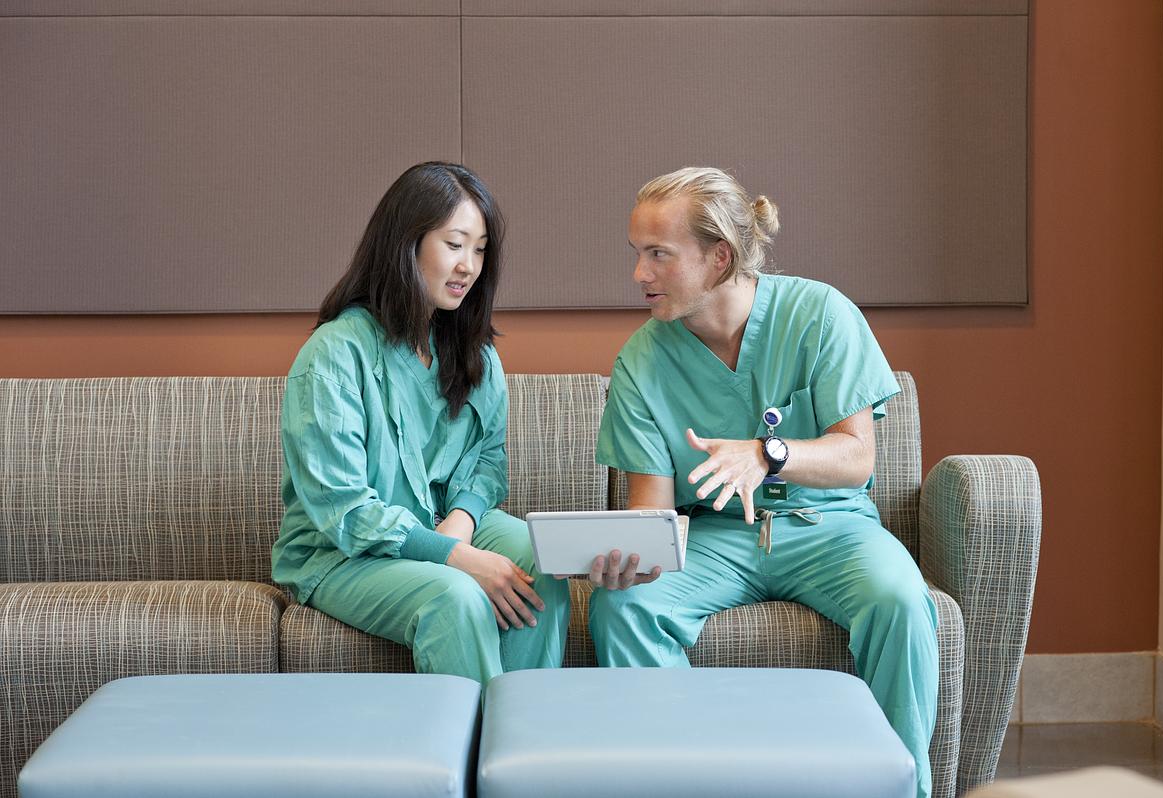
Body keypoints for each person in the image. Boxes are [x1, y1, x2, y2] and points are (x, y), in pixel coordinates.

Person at [588, 167, 939, 798]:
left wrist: (767, 454)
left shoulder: (820, 314)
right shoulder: (642, 359)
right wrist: (630, 560)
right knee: (623, 606)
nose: (639, 275)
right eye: (636, 254)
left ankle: (904, 789)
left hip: (828, 526)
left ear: (719, 257)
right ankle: (680, 784)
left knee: (902, 603)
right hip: (714, 539)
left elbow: (858, 458)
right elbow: (653, 517)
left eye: (658, 255)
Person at [272, 162, 569, 683]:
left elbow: (487, 460)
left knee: (539, 565)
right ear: (406, 244)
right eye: (455, 244)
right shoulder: (334, 354)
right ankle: (473, 756)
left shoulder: (472, 351)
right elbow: (344, 509)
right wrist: (451, 555)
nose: (469, 266)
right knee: (455, 598)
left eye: (480, 250)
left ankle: (525, 745)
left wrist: (461, 524)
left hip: (441, 526)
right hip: (343, 553)